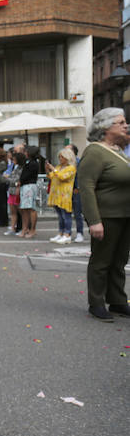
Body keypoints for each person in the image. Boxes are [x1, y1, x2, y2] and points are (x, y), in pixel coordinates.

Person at [77, 108, 130, 321]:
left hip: (125, 214)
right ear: (106, 127)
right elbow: (86, 186)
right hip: (107, 216)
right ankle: (96, 302)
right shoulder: (95, 151)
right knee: (101, 261)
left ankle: (117, 300)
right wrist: (94, 221)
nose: (126, 125)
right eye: (121, 122)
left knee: (119, 260)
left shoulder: (118, 150)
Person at [45, 147, 77, 244]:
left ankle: (67, 234)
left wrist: (53, 169)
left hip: (65, 195)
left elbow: (62, 177)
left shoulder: (71, 168)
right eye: (59, 157)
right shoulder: (59, 167)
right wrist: (48, 170)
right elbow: (51, 176)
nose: (60, 159)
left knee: (66, 216)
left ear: (68, 158)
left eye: (62, 157)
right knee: (60, 216)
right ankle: (61, 233)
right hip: (56, 194)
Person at [17, 146, 41, 238]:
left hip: (29, 186)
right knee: (24, 209)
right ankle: (25, 228)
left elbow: (25, 176)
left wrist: (20, 182)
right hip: (25, 186)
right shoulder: (28, 162)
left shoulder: (34, 163)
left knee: (31, 208)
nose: (25, 153)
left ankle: (32, 229)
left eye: (26, 152)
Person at [2, 151, 23, 236]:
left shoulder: (21, 168)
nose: (13, 160)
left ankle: (22, 228)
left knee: (20, 211)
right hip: (11, 190)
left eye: (14, 159)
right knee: (13, 211)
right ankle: (13, 227)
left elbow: (16, 180)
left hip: (17, 191)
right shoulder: (13, 167)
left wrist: (8, 178)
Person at [68, 144, 84, 242]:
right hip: (66, 191)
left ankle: (80, 233)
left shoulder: (78, 162)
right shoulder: (65, 163)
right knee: (66, 213)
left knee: (77, 213)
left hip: (76, 191)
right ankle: (66, 233)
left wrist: (78, 187)